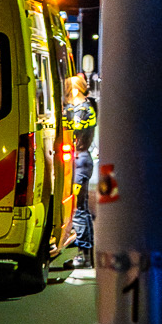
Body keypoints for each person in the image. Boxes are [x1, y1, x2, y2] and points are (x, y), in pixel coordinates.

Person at [65, 71, 98, 262]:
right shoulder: (87, 107)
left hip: (79, 160)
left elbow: (72, 129)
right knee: (81, 207)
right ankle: (86, 255)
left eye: (67, 89)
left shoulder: (81, 109)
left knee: (78, 209)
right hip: (82, 159)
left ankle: (84, 255)